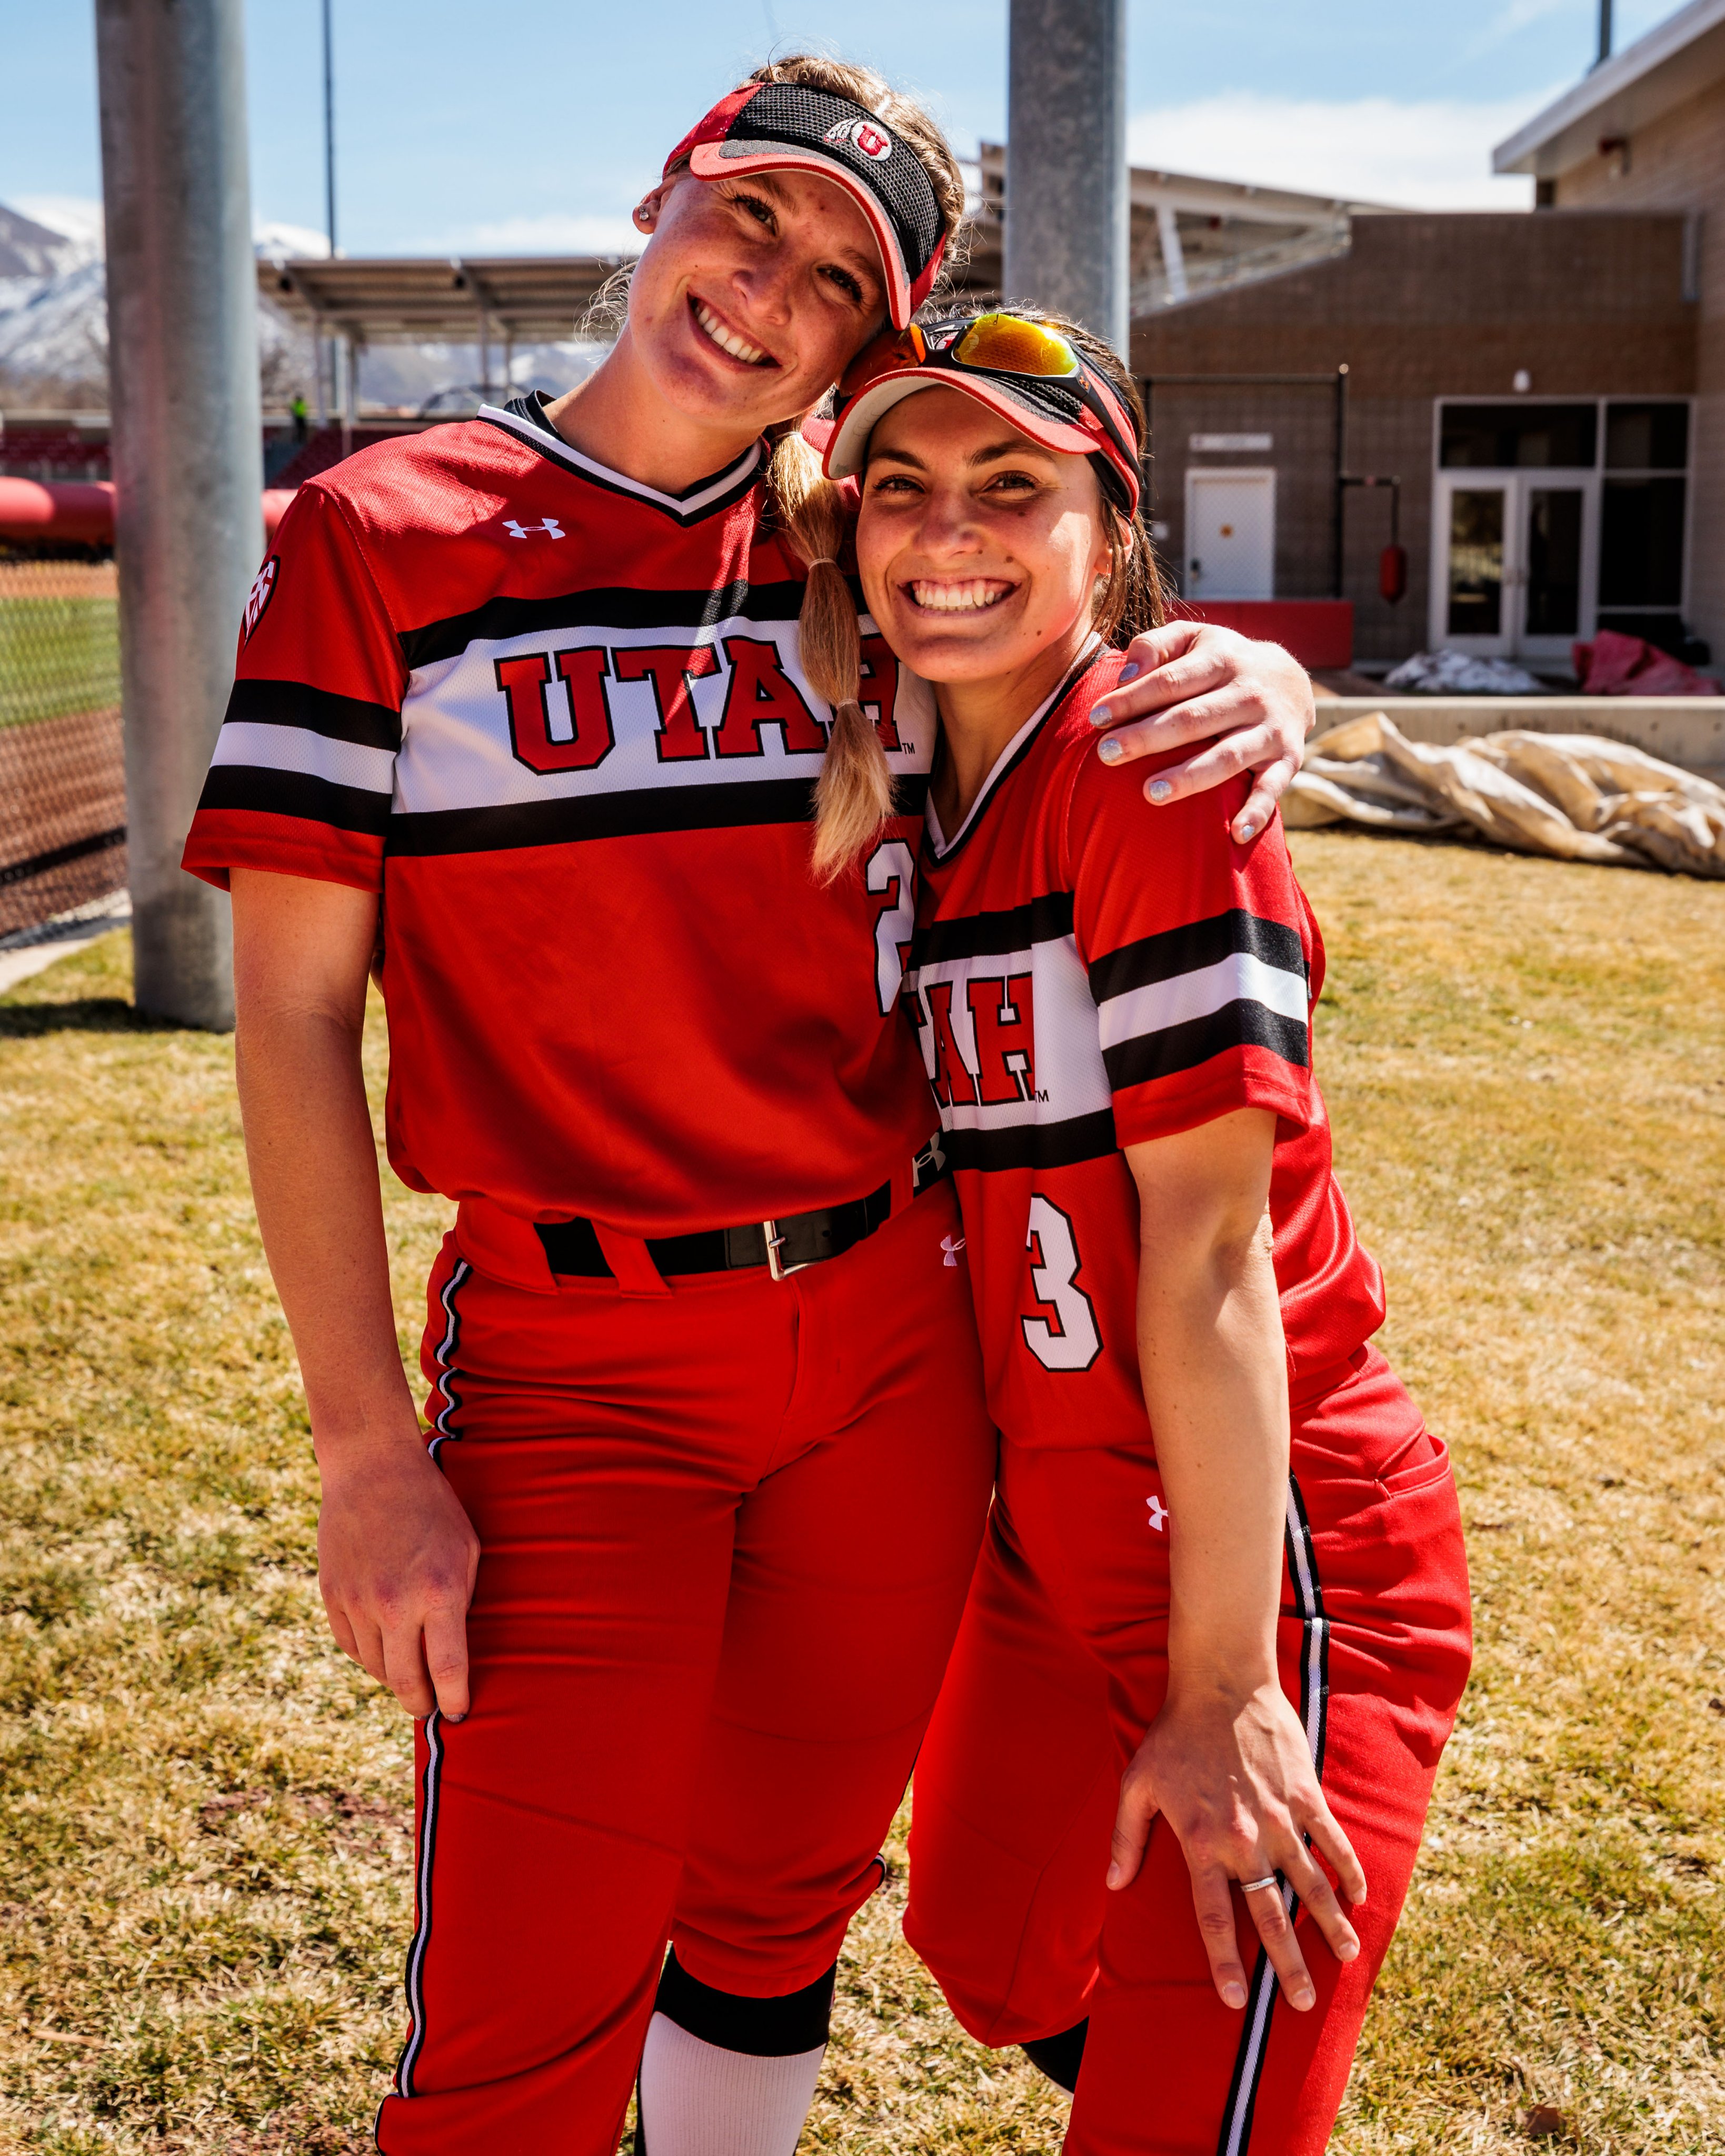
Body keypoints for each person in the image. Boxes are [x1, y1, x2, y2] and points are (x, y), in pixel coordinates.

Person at [182, 60, 1317, 2156]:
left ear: (865, 343)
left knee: (779, 1904)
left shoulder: (865, 564)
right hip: (576, 1354)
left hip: (890, 1341)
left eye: (834, 276)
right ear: (661, 194)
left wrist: (1262, 677)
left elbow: (1072, 648)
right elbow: (287, 1025)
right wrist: (361, 1448)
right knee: (527, 1992)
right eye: (753, 216)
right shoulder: (380, 538)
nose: (765, 287)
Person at [819, 309, 1472, 2154]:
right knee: (982, 1951)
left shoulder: (1143, 766)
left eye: (1011, 487)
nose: (948, 531)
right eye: (904, 488)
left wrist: (1229, 1691)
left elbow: (1204, 1255)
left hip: (1267, 1554)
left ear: (1111, 534)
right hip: (1055, 1536)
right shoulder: (912, 782)